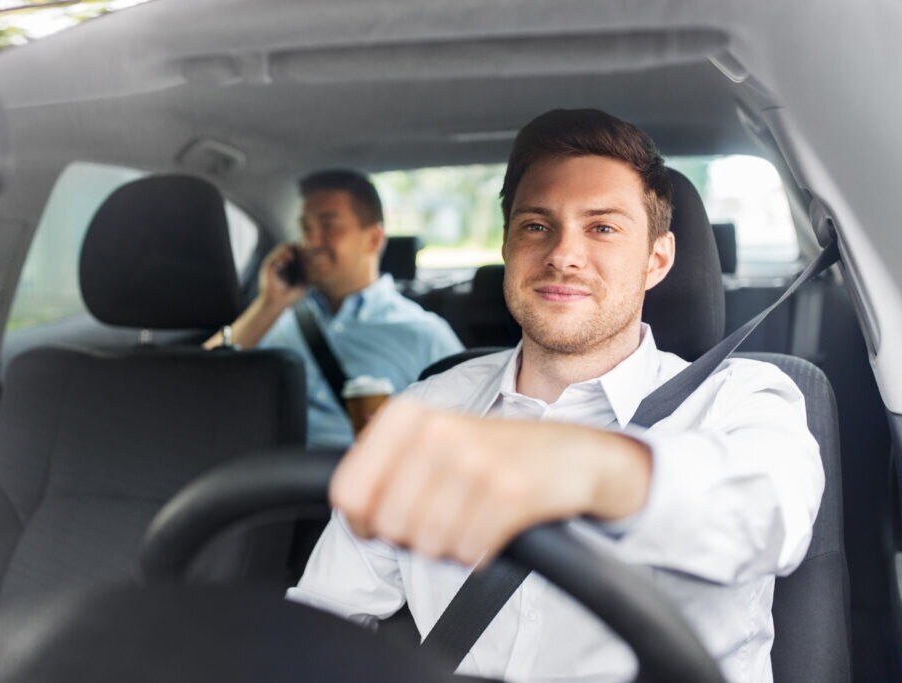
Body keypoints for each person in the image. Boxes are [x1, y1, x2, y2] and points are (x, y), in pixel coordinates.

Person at [287, 110, 824, 682]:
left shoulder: (743, 400)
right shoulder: (426, 410)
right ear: (507, 246)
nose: (564, 254)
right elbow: (322, 620)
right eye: (537, 226)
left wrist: (590, 471)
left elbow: (771, 514)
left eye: (602, 228)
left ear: (657, 259)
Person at [204, 170, 462, 448]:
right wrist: (268, 304)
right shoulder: (276, 318)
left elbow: (465, 438)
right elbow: (196, 383)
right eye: (305, 228)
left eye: (329, 226)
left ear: (373, 239)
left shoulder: (426, 335)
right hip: (266, 480)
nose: (311, 242)